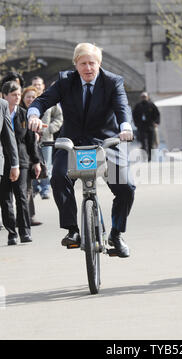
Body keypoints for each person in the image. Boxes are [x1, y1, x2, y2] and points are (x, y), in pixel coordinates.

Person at [27, 42, 135, 257]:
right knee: (58, 177)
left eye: (92, 63)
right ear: (75, 64)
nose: (88, 68)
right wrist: (33, 115)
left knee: (126, 187)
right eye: (83, 63)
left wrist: (125, 127)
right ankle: (73, 230)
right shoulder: (65, 81)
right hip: (73, 143)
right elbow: (43, 100)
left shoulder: (113, 82)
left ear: (99, 63)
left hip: (105, 143)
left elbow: (122, 107)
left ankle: (116, 233)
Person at [0, 81, 41, 245]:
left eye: (19, 95)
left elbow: (31, 141)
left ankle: (25, 231)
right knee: (5, 199)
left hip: (22, 160)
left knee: (21, 196)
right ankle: (12, 233)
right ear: (5, 95)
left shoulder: (23, 114)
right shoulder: (3, 110)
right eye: (14, 95)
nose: (18, 98)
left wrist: (36, 161)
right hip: (3, 160)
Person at [21, 86, 43, 226]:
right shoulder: (19, 113)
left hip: (34, 149)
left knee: (28, 186)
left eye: (33, 97)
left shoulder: (40, 110)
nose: (30, 99)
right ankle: (20, 217)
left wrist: (40, 133)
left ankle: (29, 216)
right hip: (22, 151)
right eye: (27, 97)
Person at [132, 91, 160, 161]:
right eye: (142, 97)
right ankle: (145, 156)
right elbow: (134, 115)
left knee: (150, 142)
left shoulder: (152, 105)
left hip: (150, 126)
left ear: (147, 97)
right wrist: (136, 124)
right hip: (141, 127)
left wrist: (156, 122)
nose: (144, 98)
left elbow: (157, 114)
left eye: (145, 97)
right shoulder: (138, 106)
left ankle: (149, 157)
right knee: (143, 142)